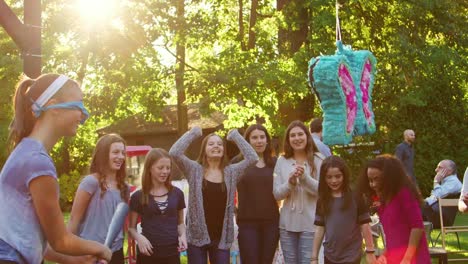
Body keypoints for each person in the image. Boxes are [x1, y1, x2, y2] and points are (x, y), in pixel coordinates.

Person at [0, 74, 111, 264]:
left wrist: (76, 260)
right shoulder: (37, 162)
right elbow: (61, 241)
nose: (83, 114)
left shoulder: (26, 152)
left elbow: (33, 239)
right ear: (53, 106)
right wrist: (102, 249)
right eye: (78, 105)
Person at [169, 126, 257, 263]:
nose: (216, 146)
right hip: (197, 237)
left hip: (221, 240)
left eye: (219, 144)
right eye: (211, 144)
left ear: (223, 150)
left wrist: (236, 136)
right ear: (204, 149)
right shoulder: (194, 170)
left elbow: (252, 158)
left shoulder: (232, 172)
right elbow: (174, 152)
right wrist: (193, 133)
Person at [358, 155, 430, 264]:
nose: (373, 184)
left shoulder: (404, 193)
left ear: (389, 177)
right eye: (370, 180)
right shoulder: (382, 201)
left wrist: (407, 259)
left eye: (377, 179)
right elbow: (393, 236)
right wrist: (384, 255)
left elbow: (417, 227)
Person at [273, 120, 324, 264]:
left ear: (307, 136)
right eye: (293, 135)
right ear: (288, 140)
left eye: (300, 134)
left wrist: (305, 179)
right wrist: (290, 184)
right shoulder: (282, 161)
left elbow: (324, 192)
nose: (297, 138)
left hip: (311, 224)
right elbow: (277, 194)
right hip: (287, 225)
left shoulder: (319, 160)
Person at [311, 156, 376, 264]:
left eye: (338, 176)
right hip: (330, 254)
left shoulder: (356, 196)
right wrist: (314, 257)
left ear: (344, 175)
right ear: (324, 178)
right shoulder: (323, 199)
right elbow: (319, 228)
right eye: (329, 177)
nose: (334, 181)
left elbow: (365, 225)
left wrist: (370, 250)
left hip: (352, 255)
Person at [128, 148, 187, 264]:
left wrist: (183, 235)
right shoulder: (137, 196)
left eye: (168, 168)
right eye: (160, 168)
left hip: (172, 255)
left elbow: (180, 223)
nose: (165, 171)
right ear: (150, 168)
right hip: (147, 255)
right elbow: (131, 229)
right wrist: (139, 238)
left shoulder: (178, 194)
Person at [231, 124, 279, 264]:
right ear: (247, 141)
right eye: (255, 138)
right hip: (247, 223)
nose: (259, 141)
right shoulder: (238, 163)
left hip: (271, 223)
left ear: (267, 140)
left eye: (262, 137)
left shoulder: (275, 163)